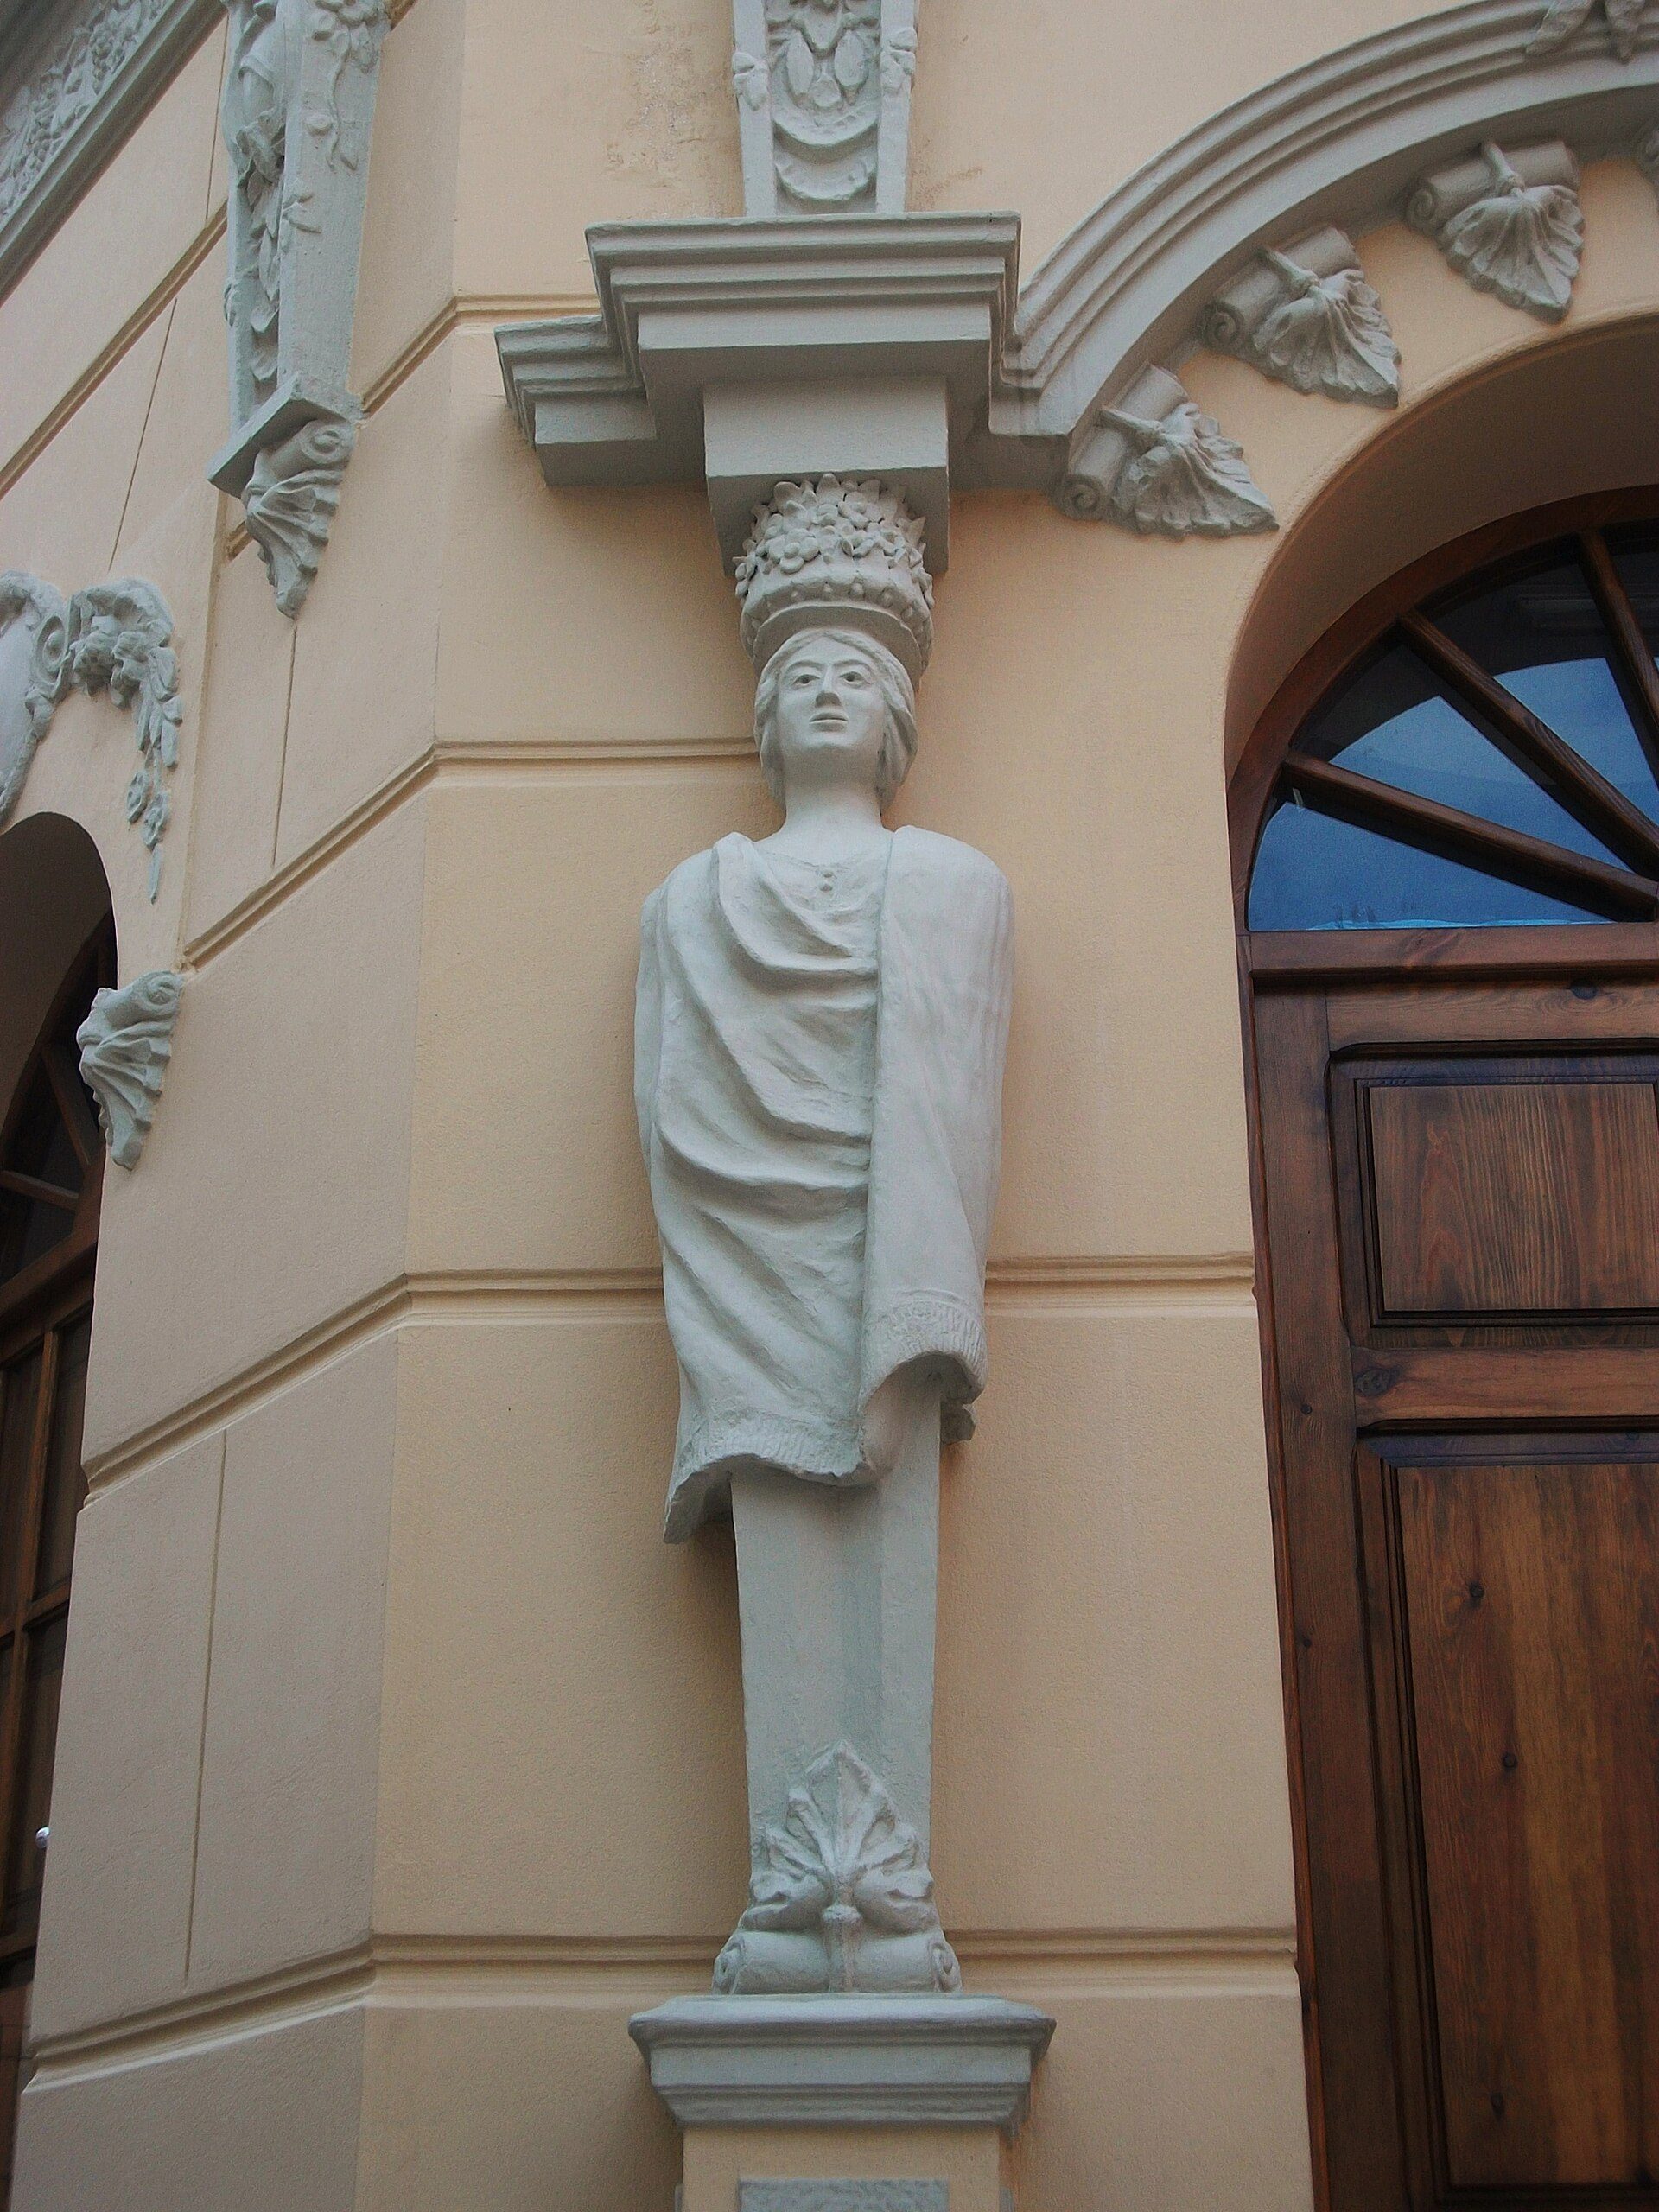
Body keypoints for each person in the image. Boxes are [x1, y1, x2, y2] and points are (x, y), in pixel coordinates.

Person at [634, 479, 1013, 1993]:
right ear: (765, 719)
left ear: (899, 720)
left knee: (882, 1509)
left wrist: (919, 1279)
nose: (830, 690)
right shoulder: (691, 903)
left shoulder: (952, 886)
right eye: (801, 676)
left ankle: (878, 1893)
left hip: (886, 1249)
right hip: (748, 1272)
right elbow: (665, 1105)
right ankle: (804, 1894)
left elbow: (960, 1095)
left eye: (858, 673)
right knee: (790, 1537)